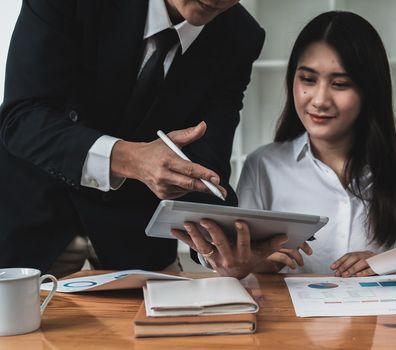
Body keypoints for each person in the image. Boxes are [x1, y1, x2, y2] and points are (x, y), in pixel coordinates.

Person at [0, 0, 284, 277]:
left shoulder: (240, 37)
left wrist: (224, 246)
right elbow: (22, 118)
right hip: (33, 214)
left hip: (136, 234)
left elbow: (205, 168)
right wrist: (130, 159)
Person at [172, 11, 396, 277]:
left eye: (340, 84)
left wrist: (390, 265)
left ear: (370, 90)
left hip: (384, 324)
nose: (319, 100)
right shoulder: (264, 166)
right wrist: (255, 263)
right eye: (307, 79)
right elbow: (240, 265)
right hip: (294, 325)